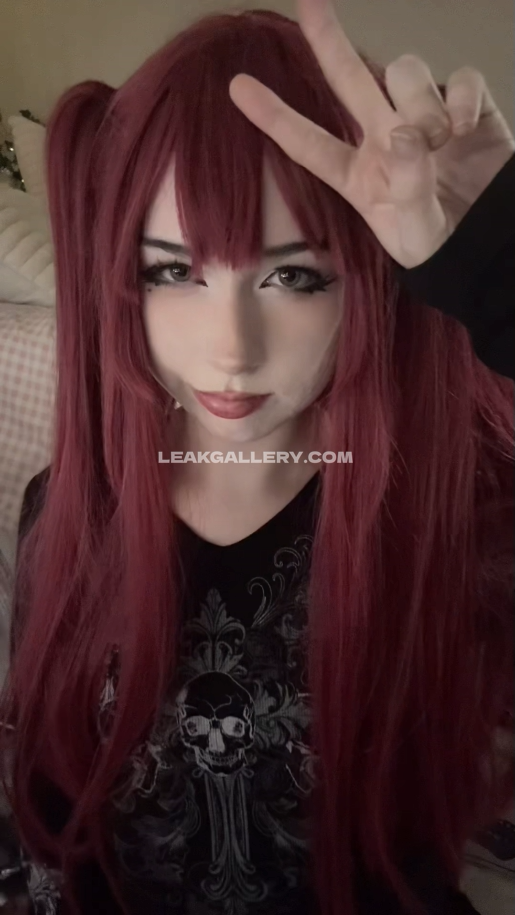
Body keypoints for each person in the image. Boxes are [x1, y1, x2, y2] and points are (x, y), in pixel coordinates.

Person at [0, 1, 513, 913]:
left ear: (369, 280)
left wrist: (497, 266)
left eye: (293, 276)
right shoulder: (69, 509)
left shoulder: (462, 510)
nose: (231, 350)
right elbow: (53, 817)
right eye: (172, 271)